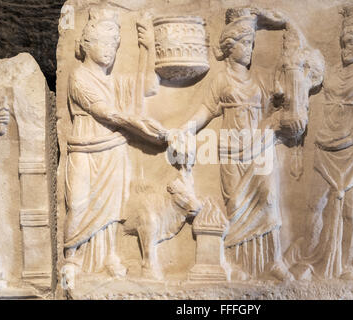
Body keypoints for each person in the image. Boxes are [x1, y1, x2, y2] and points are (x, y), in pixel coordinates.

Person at [178, 7, 292, 281]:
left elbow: (273, 110)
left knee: (269, 198)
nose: (250, 49)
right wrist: (186, 128)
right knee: (236, 205)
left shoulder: (260, 79)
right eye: (246, 43)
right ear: (231, 45)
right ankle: (235, 262)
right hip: (230, 149)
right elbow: (205, 110)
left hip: (259, 146)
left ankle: (273, 261)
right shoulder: (221, 79)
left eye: (252, 43)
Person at [62, 7, 167, 280]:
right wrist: (137, 124)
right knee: (79, 204)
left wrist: (146, 49)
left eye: (114, 45)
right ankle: (73, 257)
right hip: (84, 149)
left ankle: (109, 256)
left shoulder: (114, 81)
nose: (110, 50)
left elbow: (147, 88)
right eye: (103, 43)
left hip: (113, 150)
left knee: (110, 211)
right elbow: (103, 111)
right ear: (86, 45)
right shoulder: (79, 77)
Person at [287, 5, 353, 280]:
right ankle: (307, 261)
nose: (345, 48)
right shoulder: (330, 71)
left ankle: (346, 267)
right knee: (315, 204)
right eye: (343, 43)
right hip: (325, 143)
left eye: (352, 42)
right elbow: (305, 78)